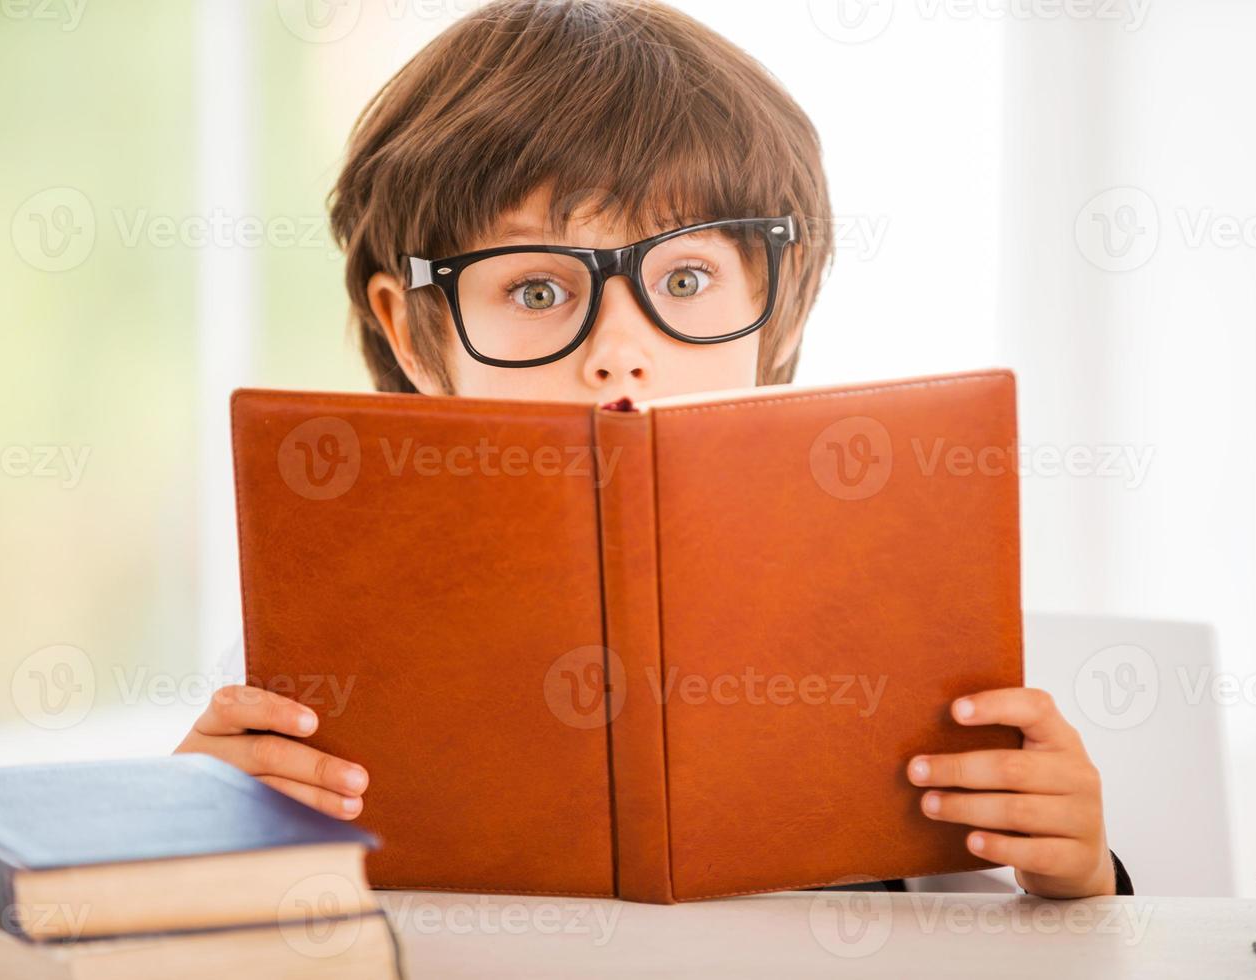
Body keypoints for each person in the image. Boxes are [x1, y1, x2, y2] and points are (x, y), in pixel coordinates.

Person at [177, 0, 1129, 899]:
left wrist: (1075, 871)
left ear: (779, 296)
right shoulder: (326, 628)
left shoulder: (892, 596)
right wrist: (180, 837)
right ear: (413, 332)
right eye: (537, 292)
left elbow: (1015, 915)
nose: (619, 353)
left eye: (683, 275)